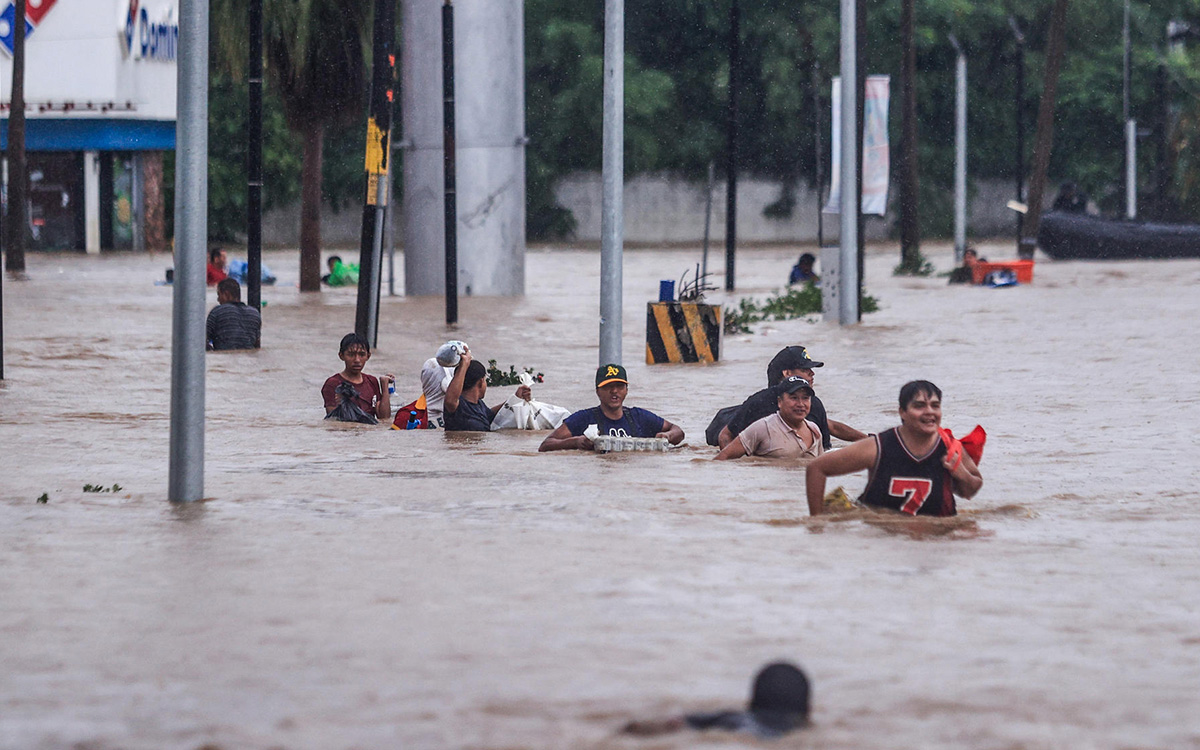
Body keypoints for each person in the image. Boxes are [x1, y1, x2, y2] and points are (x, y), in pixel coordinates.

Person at [805, 380, 982, 516]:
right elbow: (817, 468)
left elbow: (970, 490)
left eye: (935, 406)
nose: (929, 411)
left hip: (935, 544)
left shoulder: (949, 447)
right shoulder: (879, 447)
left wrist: (961, 474)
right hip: (883, 542)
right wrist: (817, 524)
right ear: (902, 412)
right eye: (919, 406)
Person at [715, 346, 865, 451]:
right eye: (805, 370)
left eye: (804, 399)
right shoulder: (758, 403)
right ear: (787, 373)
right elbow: (725, 435)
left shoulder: (814, 404)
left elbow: (827, 438)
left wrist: (871, 440)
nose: (812, 374)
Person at [622, 662, 810, 739]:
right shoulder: (798, 732)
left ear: (752, 700)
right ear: (807, 708)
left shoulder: (730, 716)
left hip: (729, 727)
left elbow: (679, 721)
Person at [538, 364, 684, 451]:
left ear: (626, 390)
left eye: (619, 387)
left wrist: (667, 436)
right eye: (608, 387)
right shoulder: (583, 418)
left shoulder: (639, 417)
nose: (614, 391)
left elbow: (678, 432)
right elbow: (545, 445)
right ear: (597, 391)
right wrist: (575, 442)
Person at [714, 376, 823, 461]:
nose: (800, 404)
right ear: (780, 402)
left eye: (805, 398)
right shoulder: (762, 428)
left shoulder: (814, 430)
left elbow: (820, 466)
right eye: (794, 398)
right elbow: (722, 459)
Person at [443, 349, 532, 431]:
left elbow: (490, 414)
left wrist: (515, 399)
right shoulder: (458, 406)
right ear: (481, 382)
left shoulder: (479, 405)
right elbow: (450, 400)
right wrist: (464, 364)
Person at [321, 333, 394, 423]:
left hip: (369, 434)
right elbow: (335, 420)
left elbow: (384, 418)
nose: (357, 360)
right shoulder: (333, 383)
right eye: (351, 355)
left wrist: (384, 386)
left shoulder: (372, 381)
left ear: (368, 356)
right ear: (341, 356)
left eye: (361, 355)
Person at [206, 278, 261, 351]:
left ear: (226, 294)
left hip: (224, 358)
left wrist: (212, 352)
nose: (218, 299)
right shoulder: (254, 313)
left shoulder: (217, 311)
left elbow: (201, 341)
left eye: (219, 295)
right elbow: (257, 345)